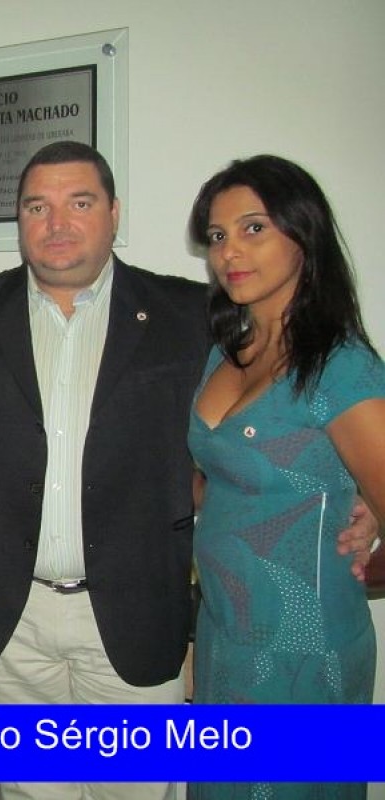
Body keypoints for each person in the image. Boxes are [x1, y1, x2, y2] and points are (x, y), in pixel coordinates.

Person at [0, 141, 376, 800]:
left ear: (114, 212)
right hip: (10, 618)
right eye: (36, 207)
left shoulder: (190, 313)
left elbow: (280, 431)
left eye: (80, 203)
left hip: (140, 613)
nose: (57, 223)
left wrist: (359, 511)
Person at [186, 155, 385, 800]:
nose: (229, 252)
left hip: (306, 648)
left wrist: (365, 543)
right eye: (218, 235)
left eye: (254, 228)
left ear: (304, 234)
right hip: (224, 631)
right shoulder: (228, 351)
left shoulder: (341, 368)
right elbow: (222, 479)